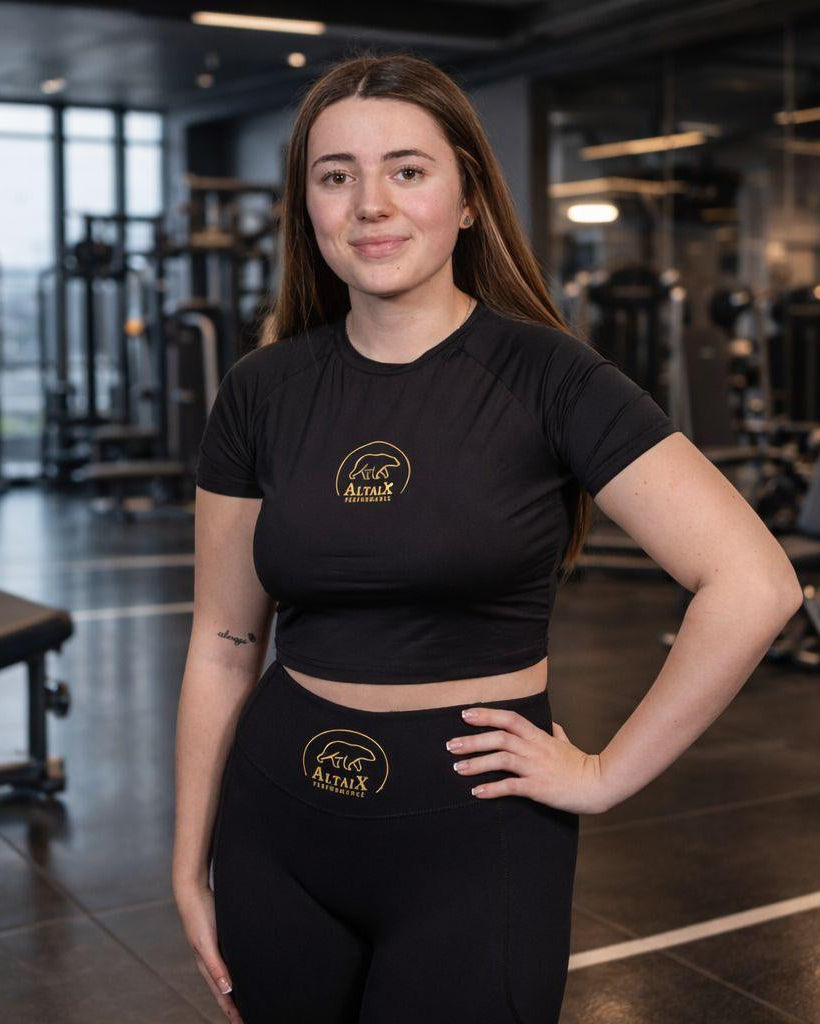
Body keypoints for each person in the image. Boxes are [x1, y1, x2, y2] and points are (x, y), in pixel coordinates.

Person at [172, 51, 803, 1024]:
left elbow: (754, 581)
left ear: (467, 196)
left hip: (475, 838)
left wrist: (603, 772)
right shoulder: (262, 390)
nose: (369, 202)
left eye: (407, 170)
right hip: (277, 830)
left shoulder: (548, 377)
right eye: (335, 175)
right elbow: (222, 640)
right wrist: (188, 860)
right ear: (308, 206)